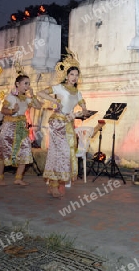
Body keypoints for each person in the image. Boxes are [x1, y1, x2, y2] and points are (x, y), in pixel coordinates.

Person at [38, 49, 89, 198]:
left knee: (64, 154)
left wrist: (83, 113)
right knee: (61, 153)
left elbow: (84, 110)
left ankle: (55, 184)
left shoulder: (78, 92)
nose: (74, 77)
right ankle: (54, 185)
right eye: (72, 74)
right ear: (66, 75)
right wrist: (55, 101)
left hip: (68, 124)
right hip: (57, 122)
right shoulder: (58, 88)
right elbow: (40, 93)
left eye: (76, 75)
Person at [0, 70, 43, 186]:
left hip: (21, 127)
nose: (28, 86)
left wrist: (33, 95)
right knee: (4, 153)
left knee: (26, 151)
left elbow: (38, 106)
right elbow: (3, 110)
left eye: (28, 84)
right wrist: (13, 111)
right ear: (17, 84)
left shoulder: (26, 98)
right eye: (25, 83)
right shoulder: (11, 97)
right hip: (9, 127)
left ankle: (18, 178)